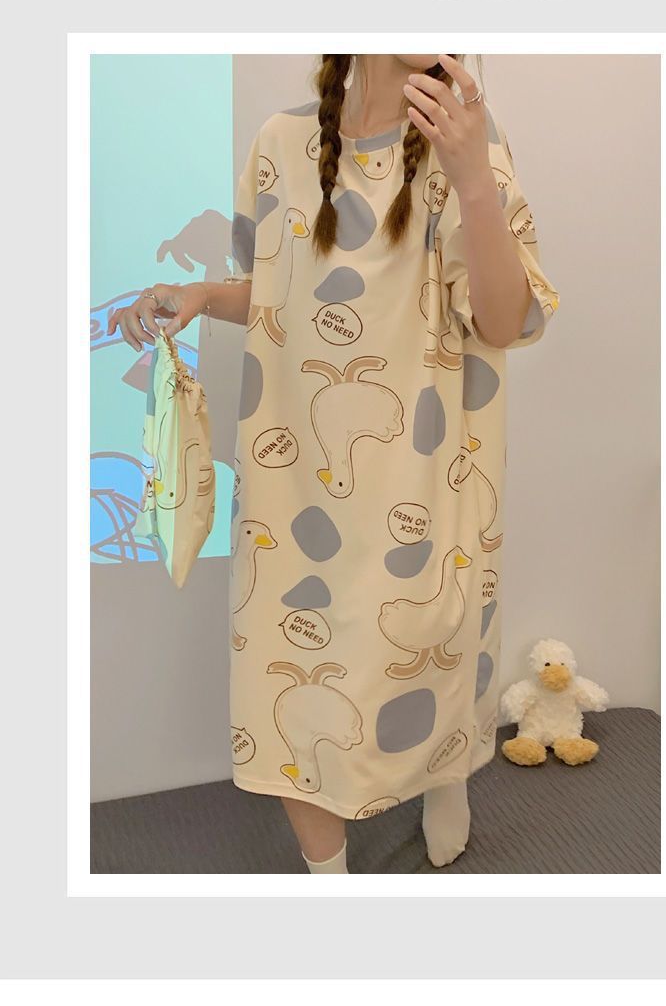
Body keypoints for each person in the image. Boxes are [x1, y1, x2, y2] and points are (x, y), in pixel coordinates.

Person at [108, 54, 560, 875]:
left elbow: (502, 322)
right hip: (294, 483)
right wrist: (204, 297)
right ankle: (330, 885)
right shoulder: (281, 142)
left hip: (427, 482)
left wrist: (471, 178)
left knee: (425, 656)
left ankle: (443, 774)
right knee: (286, 682)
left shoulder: (469, 138)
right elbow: (278, 294)